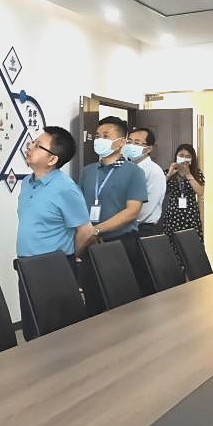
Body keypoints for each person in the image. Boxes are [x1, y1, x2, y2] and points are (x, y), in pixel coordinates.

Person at [16, 126, 94, 340]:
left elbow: (86, 231)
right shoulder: (27, 182)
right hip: (26, 265)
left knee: (55, 334)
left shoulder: (66, 188)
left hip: (54, 268)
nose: (30, 147)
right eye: (32, 142)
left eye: (37, 145)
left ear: (52, 160)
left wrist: (73, 256)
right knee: (32, 329)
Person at [78, 116, 148, 311]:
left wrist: (97, 230)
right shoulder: (87, 172)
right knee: (93, 301)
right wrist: (86, 234)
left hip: (121, 243)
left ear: (121, 142)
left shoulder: (134, 172)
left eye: (106, 136)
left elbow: (132, 211)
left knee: (122, 303)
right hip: (90, 244)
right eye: (97, 136)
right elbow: (79, 207)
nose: (99, 140)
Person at [123, 127, 166, 237]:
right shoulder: (125, 168)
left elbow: (146, 208)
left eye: (137, 143)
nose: (131, 145)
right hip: (123, 227)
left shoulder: (154, 171)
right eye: (129, 142)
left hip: (142, 229)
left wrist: (122, 220)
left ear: (149, 149)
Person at [163, 144, 205, 252]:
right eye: (181, 155)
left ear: (192, 159)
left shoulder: (196, 173)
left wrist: (188, 174)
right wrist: (169, 175)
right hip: (173, 214)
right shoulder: (169, 172)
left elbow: (200, 192)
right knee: (173, 247)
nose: (184, 158)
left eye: (187, 156)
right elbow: (160, 191)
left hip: (190, 214)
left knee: (191, 247)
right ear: (176, 156)